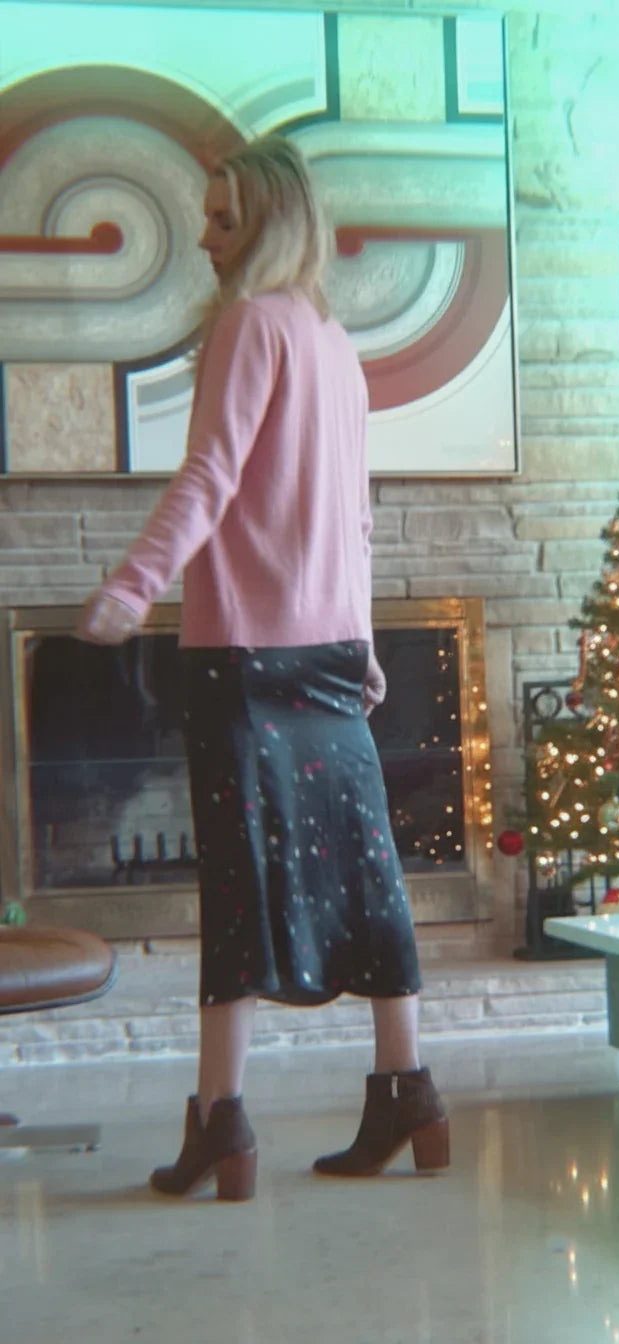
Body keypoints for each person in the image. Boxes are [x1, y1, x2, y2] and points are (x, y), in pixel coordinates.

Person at [76, 135, 449, 1200]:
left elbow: (209, 475)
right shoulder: (334, 339)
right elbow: (355, 516)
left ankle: (224, 1123)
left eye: (223, 217)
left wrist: (134, 584)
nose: (204, 235)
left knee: (240, 884)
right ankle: (406, 1089)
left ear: (272, 222)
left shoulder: (250, 323)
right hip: (328, 650)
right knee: (370, 872)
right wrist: (366, 642)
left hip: (242, 652)